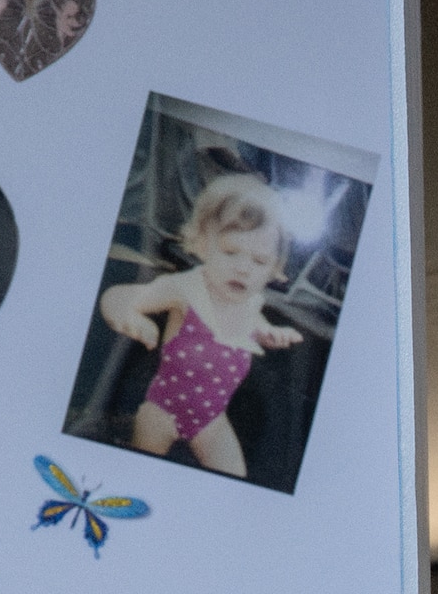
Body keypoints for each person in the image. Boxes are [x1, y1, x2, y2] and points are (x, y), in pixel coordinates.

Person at [95, 168, 302, 476]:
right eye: (232, 252)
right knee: (138, 472)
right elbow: (121, 296)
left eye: (259, 261)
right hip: (161, 410)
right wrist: (128, 315)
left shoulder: (250, 303)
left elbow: (250, 324)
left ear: (274, 268)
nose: (244, 269)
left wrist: (267, 332)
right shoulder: (185, 289)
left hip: (212, 419)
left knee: (235, 478)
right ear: (204, 243)